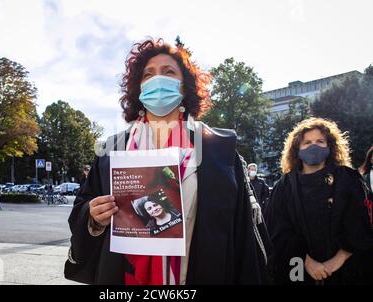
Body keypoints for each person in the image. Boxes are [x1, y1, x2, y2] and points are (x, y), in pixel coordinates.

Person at [67, 38, 271, 285]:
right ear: (139, 88)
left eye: (169, 72)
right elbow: (82, 209)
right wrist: (92, 217)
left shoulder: (217, 148)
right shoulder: (113, 150)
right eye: (148, 74)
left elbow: (241, 236)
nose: (157, 80)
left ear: (184, 87)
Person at [265, 117, 373, 284]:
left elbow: (360, 225)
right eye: (307, 142)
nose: (313, 146)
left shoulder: (348, 179)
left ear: (329, 146)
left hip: (346, 269)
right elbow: (277, 230)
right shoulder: (285, 185)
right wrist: (307, 262)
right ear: (297, 149)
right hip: (298, 269)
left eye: (320, 141)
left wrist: (337, 260)